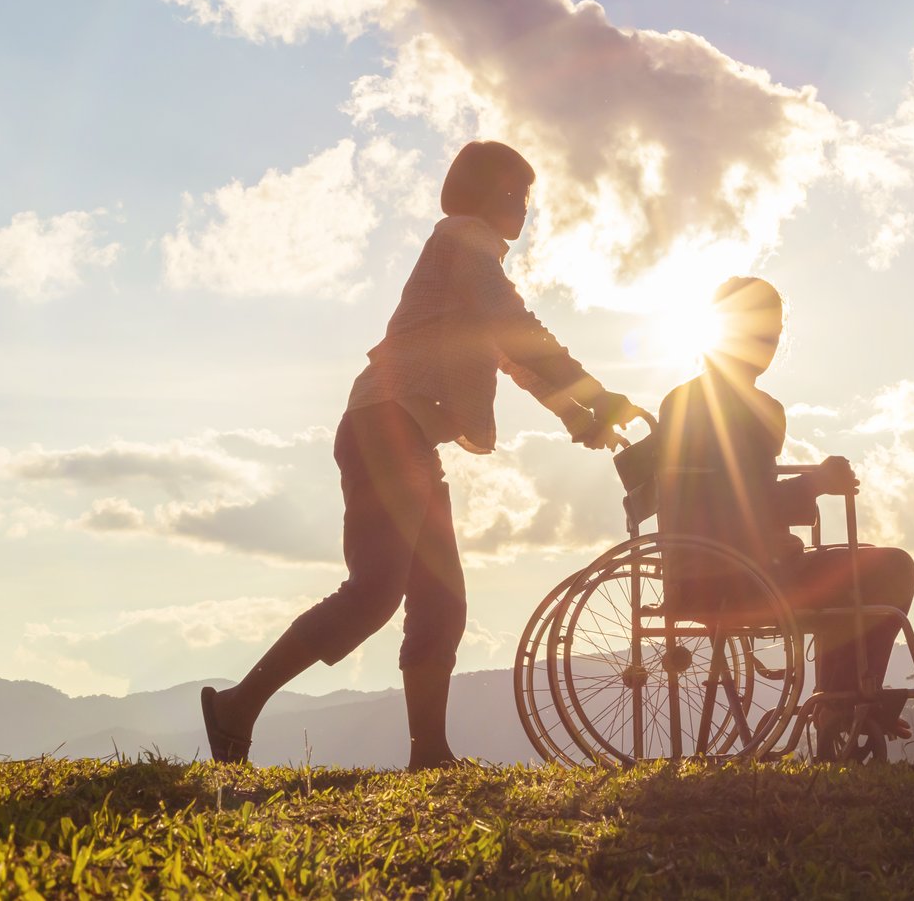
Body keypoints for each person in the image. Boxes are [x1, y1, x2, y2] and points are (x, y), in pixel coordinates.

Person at [201, 141, 641, 768]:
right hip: (386, 429)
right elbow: (513, 324)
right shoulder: (464, 241)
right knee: (374, 595)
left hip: (400, 434)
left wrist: (579, 415)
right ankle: (237, 708)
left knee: (440, 601)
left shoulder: (468, 253)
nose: (522, 209)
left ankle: (428, 752)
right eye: (516, 195)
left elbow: (510, 355)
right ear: (489, 197)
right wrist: (598, 396)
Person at [654, 276, 914, 741]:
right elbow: (745, 506)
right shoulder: (757, 409)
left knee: (859, 566)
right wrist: (816, 483)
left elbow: (734, 498)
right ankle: (847, 701)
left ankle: (846, 700)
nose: (767, 347)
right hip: (741, 574)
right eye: (758, 335)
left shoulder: (680, 401)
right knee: (890, 568)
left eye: (773, 337)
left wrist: (806, 490)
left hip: (698, 572)